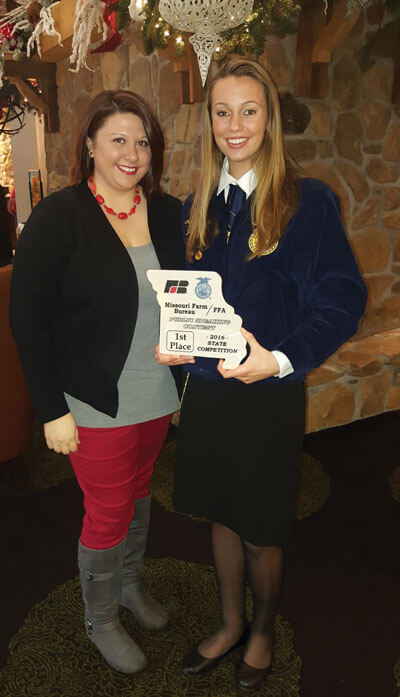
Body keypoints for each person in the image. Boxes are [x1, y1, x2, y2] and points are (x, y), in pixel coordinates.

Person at [156, 59, 367, 691]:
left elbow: (343, 300)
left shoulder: (308, 202)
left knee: (261, 527)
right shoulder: (199, 204)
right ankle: (228, 623)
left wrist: (276, 360)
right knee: (223, 515)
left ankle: (264, 630)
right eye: (222, 112)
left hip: (270, 395)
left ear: (270, 118)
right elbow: (198, 304)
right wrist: (180, 347)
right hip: (213, 397)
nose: (235, 125)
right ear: (209, 121)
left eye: (250, 110)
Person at [10, 90, 185, 674]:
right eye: (118, 140)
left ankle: (128, 588)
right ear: (89, 144)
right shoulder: (59, 217)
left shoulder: (164, 212)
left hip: (157, 392)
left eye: (141, 142)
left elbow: (190, 296)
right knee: (108, 509)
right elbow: (27, 319)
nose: (131, 153)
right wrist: (49, 408)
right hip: (93, 400)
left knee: (139, 494)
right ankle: (100, 617)